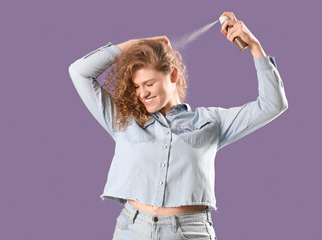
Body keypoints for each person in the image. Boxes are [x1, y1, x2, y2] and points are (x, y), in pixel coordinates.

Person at [68, 11, 288, 240]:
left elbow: (273, 104)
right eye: (136, 86)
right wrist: (136, 44)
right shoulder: (122, 120)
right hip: (131, 230)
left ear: (173, 75)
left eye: (149, 83)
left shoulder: (212, 122)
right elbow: (79, 72)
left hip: (190, 232)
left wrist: (254, 46)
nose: (142, 93)